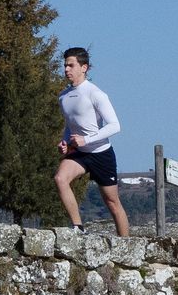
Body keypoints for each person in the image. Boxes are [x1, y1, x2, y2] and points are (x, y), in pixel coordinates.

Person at [53, 47, 130, 236]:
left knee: (112, 203)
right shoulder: (63, 96)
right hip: (79, 153)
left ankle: (127, 246)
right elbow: (70, 126)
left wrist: (86, 139)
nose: (66, 70)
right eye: (65, 66)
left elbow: (115, 126)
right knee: (60, 179)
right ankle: (78, 228)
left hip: (100, 153)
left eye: (71, 65)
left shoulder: (95, 93)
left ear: (84, 67)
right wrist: (65, 143)